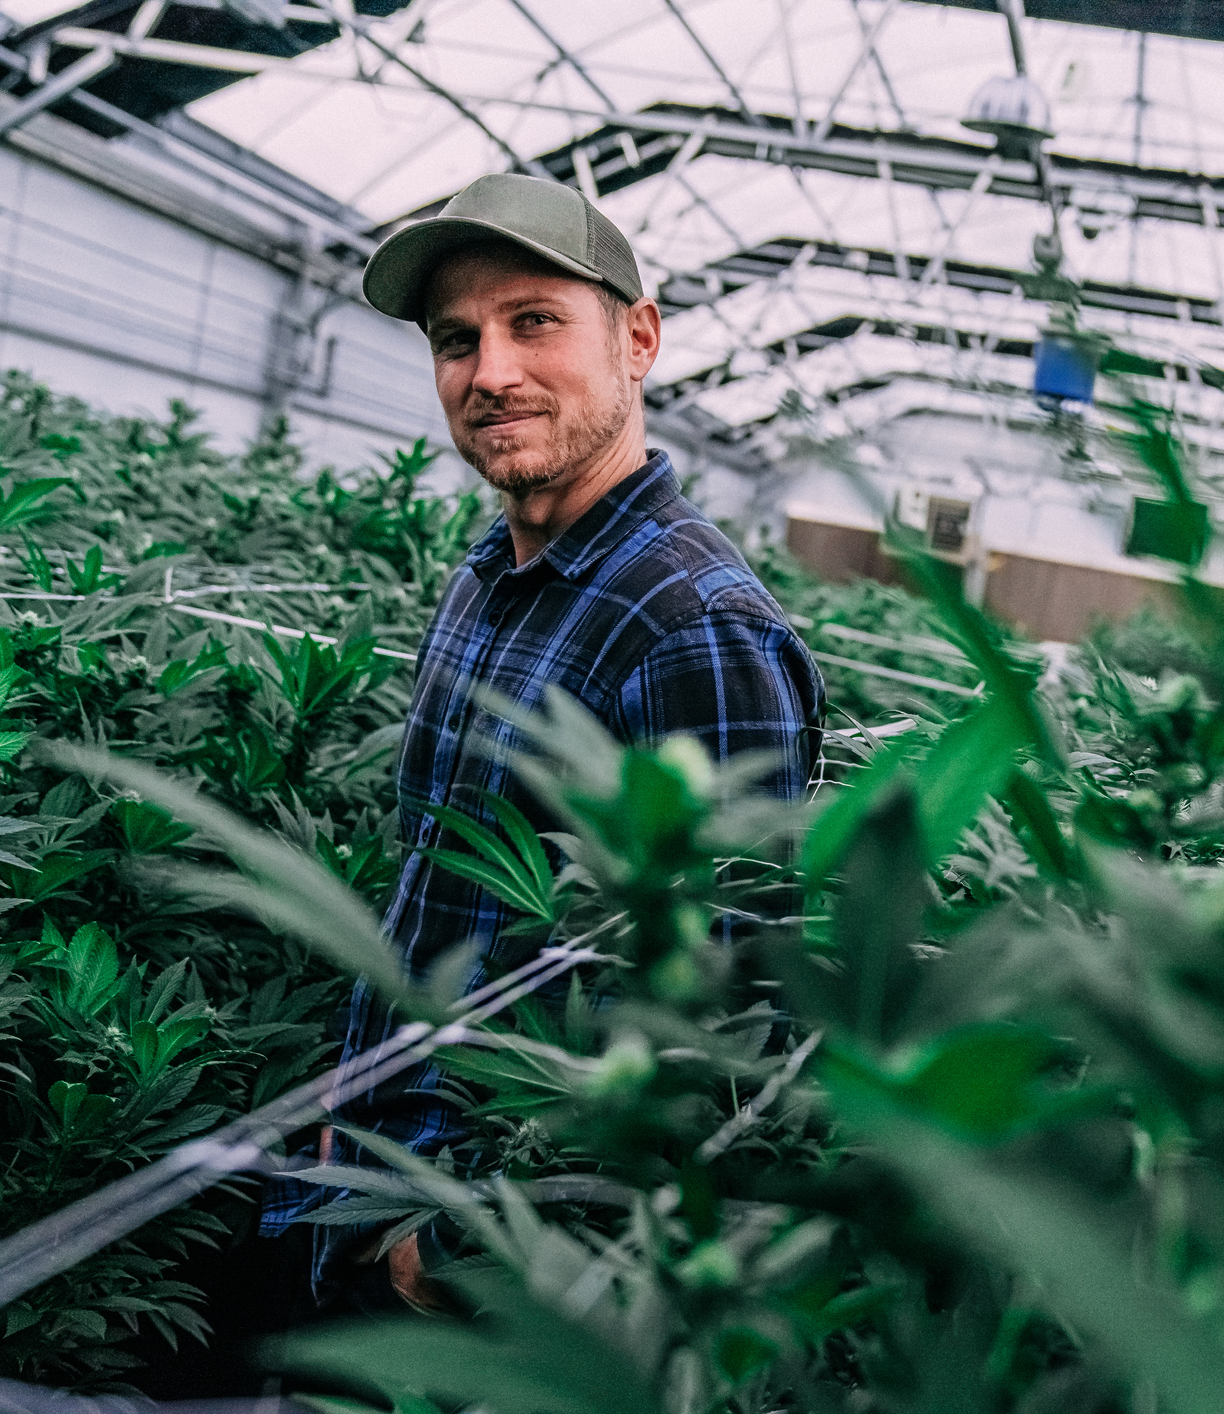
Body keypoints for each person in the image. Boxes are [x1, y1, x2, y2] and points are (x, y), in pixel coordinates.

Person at [257, 173, 824, 1311]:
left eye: (534, 322)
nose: (490, 373)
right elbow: (443, 891)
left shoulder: (694, 627)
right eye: (455, 339)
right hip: (367, 1175)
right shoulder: (490, 576)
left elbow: (715, 1018)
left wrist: (475, 1244)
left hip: (488, 1260)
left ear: (639, 339)